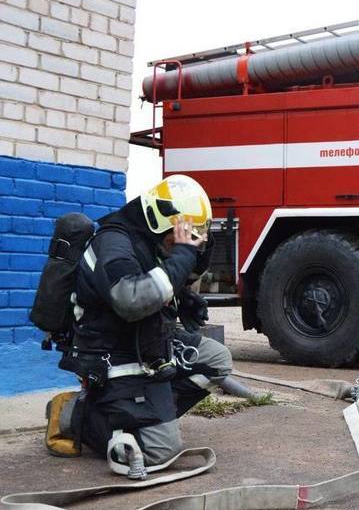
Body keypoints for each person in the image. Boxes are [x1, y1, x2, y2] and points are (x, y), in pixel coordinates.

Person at [47, 175, 255, 471]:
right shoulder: (114, 243)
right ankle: (75, 414)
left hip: (145, 345)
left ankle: (141, 416)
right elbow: (131, 299)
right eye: (181, 233)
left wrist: (183, 295)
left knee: (216, 359)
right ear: (162, 221)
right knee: (159, 452)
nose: (181, 241)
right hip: (112, 354)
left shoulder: (149, 240)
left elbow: (163, 275)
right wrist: (183, 253)